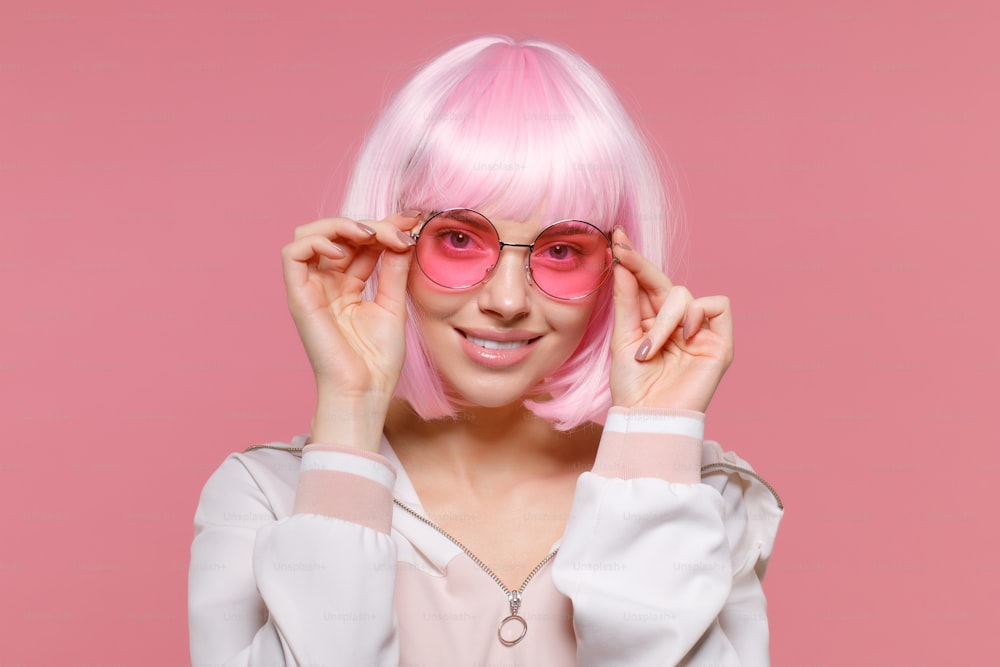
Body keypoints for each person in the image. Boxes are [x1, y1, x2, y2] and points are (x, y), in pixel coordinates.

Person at [188, 34, 783, 666]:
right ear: (392, 242)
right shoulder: (267, 500)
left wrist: (653, 444)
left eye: (561, 251)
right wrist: (350, 407)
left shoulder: (702, 500)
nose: (506, 300)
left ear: (615, 268)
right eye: (459, 240)